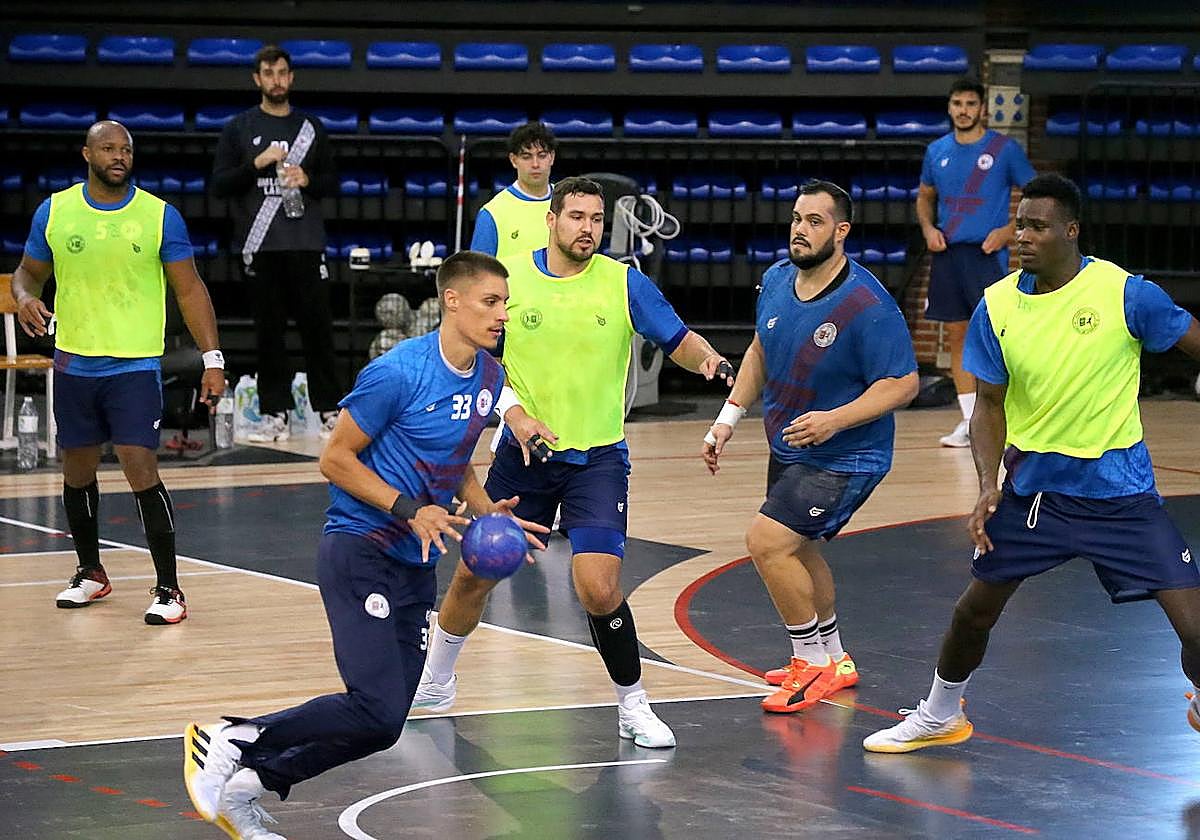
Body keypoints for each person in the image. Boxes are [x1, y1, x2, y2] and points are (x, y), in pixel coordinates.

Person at [182, 251, 548, 838]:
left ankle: (250, 784)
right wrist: (410, 508)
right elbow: (334, 458)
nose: (502, 314)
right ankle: (233, 739)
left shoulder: (487, 377)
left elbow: (453, 460)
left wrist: (487, 515)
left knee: (384, 724)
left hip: (413, 562)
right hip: (360, 548)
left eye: (506, 303)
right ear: (451, 301)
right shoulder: (398, 372)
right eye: (491, 302)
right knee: (372, 702)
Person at [863, 173, 1200, 753]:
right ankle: (941, 713)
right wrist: (987, 486)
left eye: (1037, 226)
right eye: (1020, 224)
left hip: (1120, 494)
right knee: (974, 613)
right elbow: (988, 406)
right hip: (1034, 497)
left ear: (1071, 232)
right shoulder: (997, 305)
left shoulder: (1125, 294)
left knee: (1194, 627)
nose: (1022, 236)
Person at [414, 177, 736, 748]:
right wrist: (513, 416)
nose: (588, 227)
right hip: (524, 456)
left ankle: (632, 705)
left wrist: (707, 360)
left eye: (596, 218)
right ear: (552, 221)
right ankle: (436, 681)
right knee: (475, 571)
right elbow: (486, 364)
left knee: (600, 586)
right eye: (577, 217)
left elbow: (677, 336)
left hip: (598, 459)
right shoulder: (509, 284)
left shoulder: (622, 282)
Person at [702, 181, 918, 714]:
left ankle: (810, 665)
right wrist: (729, 417)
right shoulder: (776, 280)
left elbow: (903, 383)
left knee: (767, 542)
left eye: (816, 221)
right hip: (790, 443)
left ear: (841, 232)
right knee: (801, 548)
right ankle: (836, 659)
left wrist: (833, 421)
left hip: (848, 455)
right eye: (797, 218)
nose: (801, 229)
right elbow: (759, 349)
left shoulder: (867, 303)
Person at [10, 120, 224, 625]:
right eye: (108, 147)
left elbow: (190, 290)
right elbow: (28, 273)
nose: (118, 155)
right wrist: (24, 298)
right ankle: (90, 572)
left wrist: (212, 358)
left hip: (134, 364)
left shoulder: (158, 216)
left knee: (138, 464)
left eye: (125, 148)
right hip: (74, 363)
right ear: (86, 153)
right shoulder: (56, 211)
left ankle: (169, 589)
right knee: (76, 469)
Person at [212, 43, 341, 443]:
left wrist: (308, 180)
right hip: (259, 245)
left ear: (292, 76)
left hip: (305, 242)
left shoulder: (311, 127)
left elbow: (332, 183)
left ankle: (329, 412)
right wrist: (257, 164)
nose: (277, 80)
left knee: (317, 330)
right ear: (257, 79)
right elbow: (219, 185)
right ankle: (274, 414)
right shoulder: (239, 128)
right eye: (269, 74)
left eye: (282, 73)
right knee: (268, 334)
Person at [918, 77, 1035, 448]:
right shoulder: (936, 151)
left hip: (987, 257)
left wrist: (1007, 231)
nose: (963, 110)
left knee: (999, 337)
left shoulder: (1004, 149)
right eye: (957, 104)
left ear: (982, 108)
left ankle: (1010, 415)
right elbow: (924, 198)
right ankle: (970, 422)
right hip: (949, 254)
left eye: (970, 104)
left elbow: (1038, 198)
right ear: (949, 108)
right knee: (957, 336)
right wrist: (927, 228)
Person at [470, 120, 557, 258]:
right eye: (526, 156)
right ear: (513, 160)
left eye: (542, 155)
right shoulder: (492, 213)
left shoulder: (569, 203)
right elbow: (479, 274)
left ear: (551, 157)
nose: (535, 164)